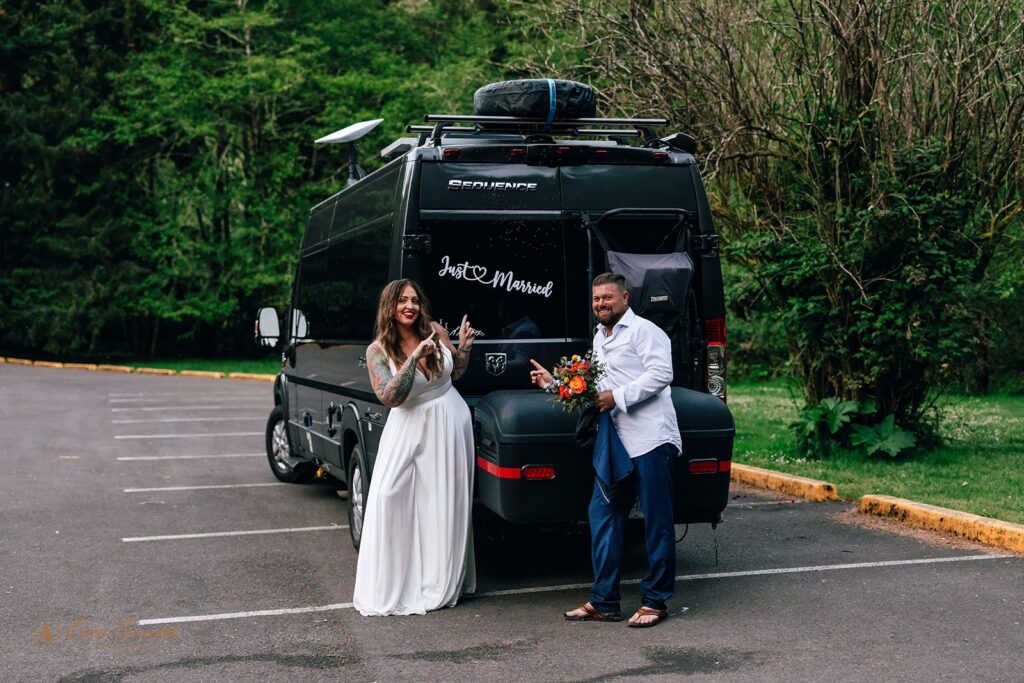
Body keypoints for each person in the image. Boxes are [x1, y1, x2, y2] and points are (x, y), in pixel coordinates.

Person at [529, 272, 680, 628]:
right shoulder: (600, 337)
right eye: (597, 299)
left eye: (608, 298)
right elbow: (596, 388)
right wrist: (554, 385)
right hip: (616, 441)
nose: (601, 304)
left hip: (651, 438)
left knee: (657, 520)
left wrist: (618, 397)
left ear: (625, 298)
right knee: (603, 515)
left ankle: (655, 601)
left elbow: (662, 373)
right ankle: (605, 601)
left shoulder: (645, 331)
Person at [352, 278, 478, 616]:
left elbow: (455, 374)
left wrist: (463, 347)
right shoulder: (378, 350)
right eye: (402, 301)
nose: (410, 306)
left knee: (441, 501)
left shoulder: (435, 330)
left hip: (450, 421)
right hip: (408, 425)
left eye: (415, 300)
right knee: (387, 495)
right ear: (390, 307)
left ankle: (440, 581)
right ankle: (394, 581)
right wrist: (412, 359)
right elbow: (389, 397)